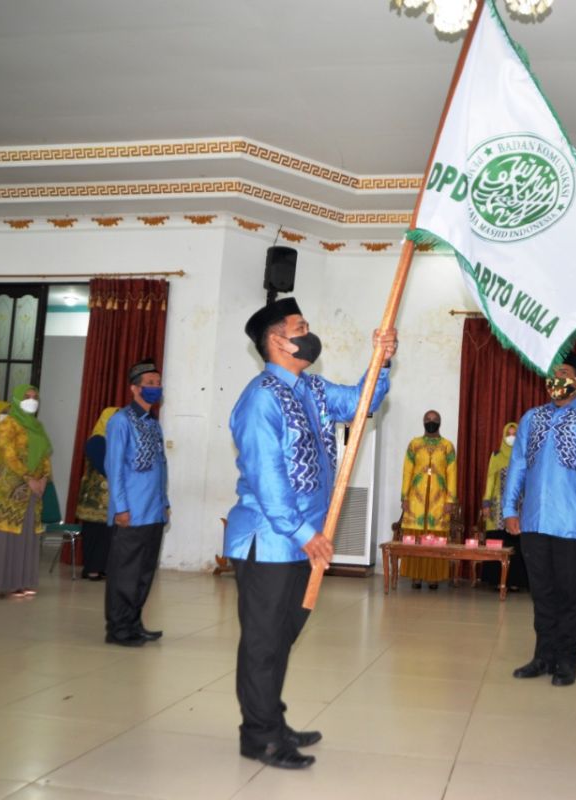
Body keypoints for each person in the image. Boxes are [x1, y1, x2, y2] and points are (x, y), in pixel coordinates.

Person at [225, 297, 396, 770]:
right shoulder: (261, 397)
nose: (308, 332)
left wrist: (381, 359)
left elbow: (363, 404)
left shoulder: (312, 388)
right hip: (270, 540)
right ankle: (258, 736)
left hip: (302, 541)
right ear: (278, 340)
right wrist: (304, 532)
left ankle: (272, 721)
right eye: (300, 326)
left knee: (282, 637)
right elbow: (267, 476)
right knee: (263, 641)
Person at [503, 351, 576, 688]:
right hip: (535, 522)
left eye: (565, 372)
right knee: (542, 593)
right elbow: (518, 466)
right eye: (553, 373)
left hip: (572, 522)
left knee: (569, 594)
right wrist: (510, 509)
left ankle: (567, 660)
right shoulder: (531, 418)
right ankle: (543, 656)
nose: (558, 379)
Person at [104, 362, 169, 646]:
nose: (155, 387)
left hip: (153, 512)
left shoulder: (153, 423)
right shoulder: (121, 421)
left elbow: (161, 467)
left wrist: (164, 502)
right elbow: (114, 467)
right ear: (134, 388)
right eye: (149, 382)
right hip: (131, 512)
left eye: (158, 382)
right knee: (125, 574)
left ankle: (134, 623)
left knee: (143, 573)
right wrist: (120, 508)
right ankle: (117, 630)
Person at [0, 384, 52, 598]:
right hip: (11, 487)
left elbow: (45, 456)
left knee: (27, 534)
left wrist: (43, 479)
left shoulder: (38, 427)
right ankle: (4, 583)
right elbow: (8, 455)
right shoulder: (7, 424)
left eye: (35, 397)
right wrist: (28, 478)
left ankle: (23, 581)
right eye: (27, 396)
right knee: (9, 533)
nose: (32, 400)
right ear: (16, 400)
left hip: (33, 489)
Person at [398, 409, 457, 590]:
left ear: (440, 422)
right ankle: (415, 577)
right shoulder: (414, 445)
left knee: (435, 538)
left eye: (434, 419)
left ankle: (434, 578)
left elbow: (452, 473)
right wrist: (405, 496)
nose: (431, 422)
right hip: (416, 500)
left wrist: (450, 500)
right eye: (428, 419)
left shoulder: (447, 446)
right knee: (415, 537)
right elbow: (407, 471)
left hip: (438, 501)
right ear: (423, 422)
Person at [480, 421, 525, 590]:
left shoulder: (523, 454)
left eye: (514, 434)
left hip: (519, 504)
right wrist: (486, 503)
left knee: (516, 541)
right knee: (498, 541)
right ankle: (496, 580)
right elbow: (490, 479)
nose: (511, 438)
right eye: (509, 434)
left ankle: (515, 581)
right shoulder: (496, 455)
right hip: (498, 504)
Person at [76, 407, 119, 581]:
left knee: (108, 534)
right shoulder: (97, 440)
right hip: (94, 497)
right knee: (95, 532)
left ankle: (104, 567)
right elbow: (103, 466)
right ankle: (92, 568)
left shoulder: (118, 441)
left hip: (112, 497)